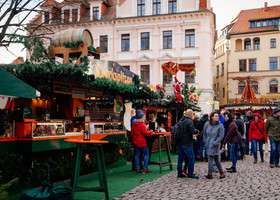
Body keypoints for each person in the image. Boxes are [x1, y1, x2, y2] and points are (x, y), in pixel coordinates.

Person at [177, 109, 199, 179]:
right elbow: (192, 131)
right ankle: (190, 173)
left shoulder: (181, 120)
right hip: (187, 142)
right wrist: (196, 131)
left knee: (180, 158)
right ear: (191, 114)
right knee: (191, 157)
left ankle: (179, 172)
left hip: (180, 142)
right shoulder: (189, 121)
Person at [203, 111, 225, 179]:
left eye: (217, 116)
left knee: (210, 158)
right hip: (208, 144)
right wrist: (205, 140)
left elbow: (221, 136)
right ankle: (221, 172)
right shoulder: (207, 124)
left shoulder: (220, 125)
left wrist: (215, 142)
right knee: (216, 159)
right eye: (215, 116)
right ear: (212, 117)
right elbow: (204, 133)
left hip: (215, 145)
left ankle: (210, 173)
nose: (217, 117)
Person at [131, 109, 153, 174]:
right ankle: (145, 168)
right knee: (146, 153)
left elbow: (132, 134)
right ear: (141, 117)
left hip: (136, 142)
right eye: (144, 117)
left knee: (137, 155)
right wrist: (151, 131)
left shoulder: (134, 124)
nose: (144, 118)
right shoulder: (142, 124)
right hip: (142, 142)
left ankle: (138, 168)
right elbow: (145, 132)